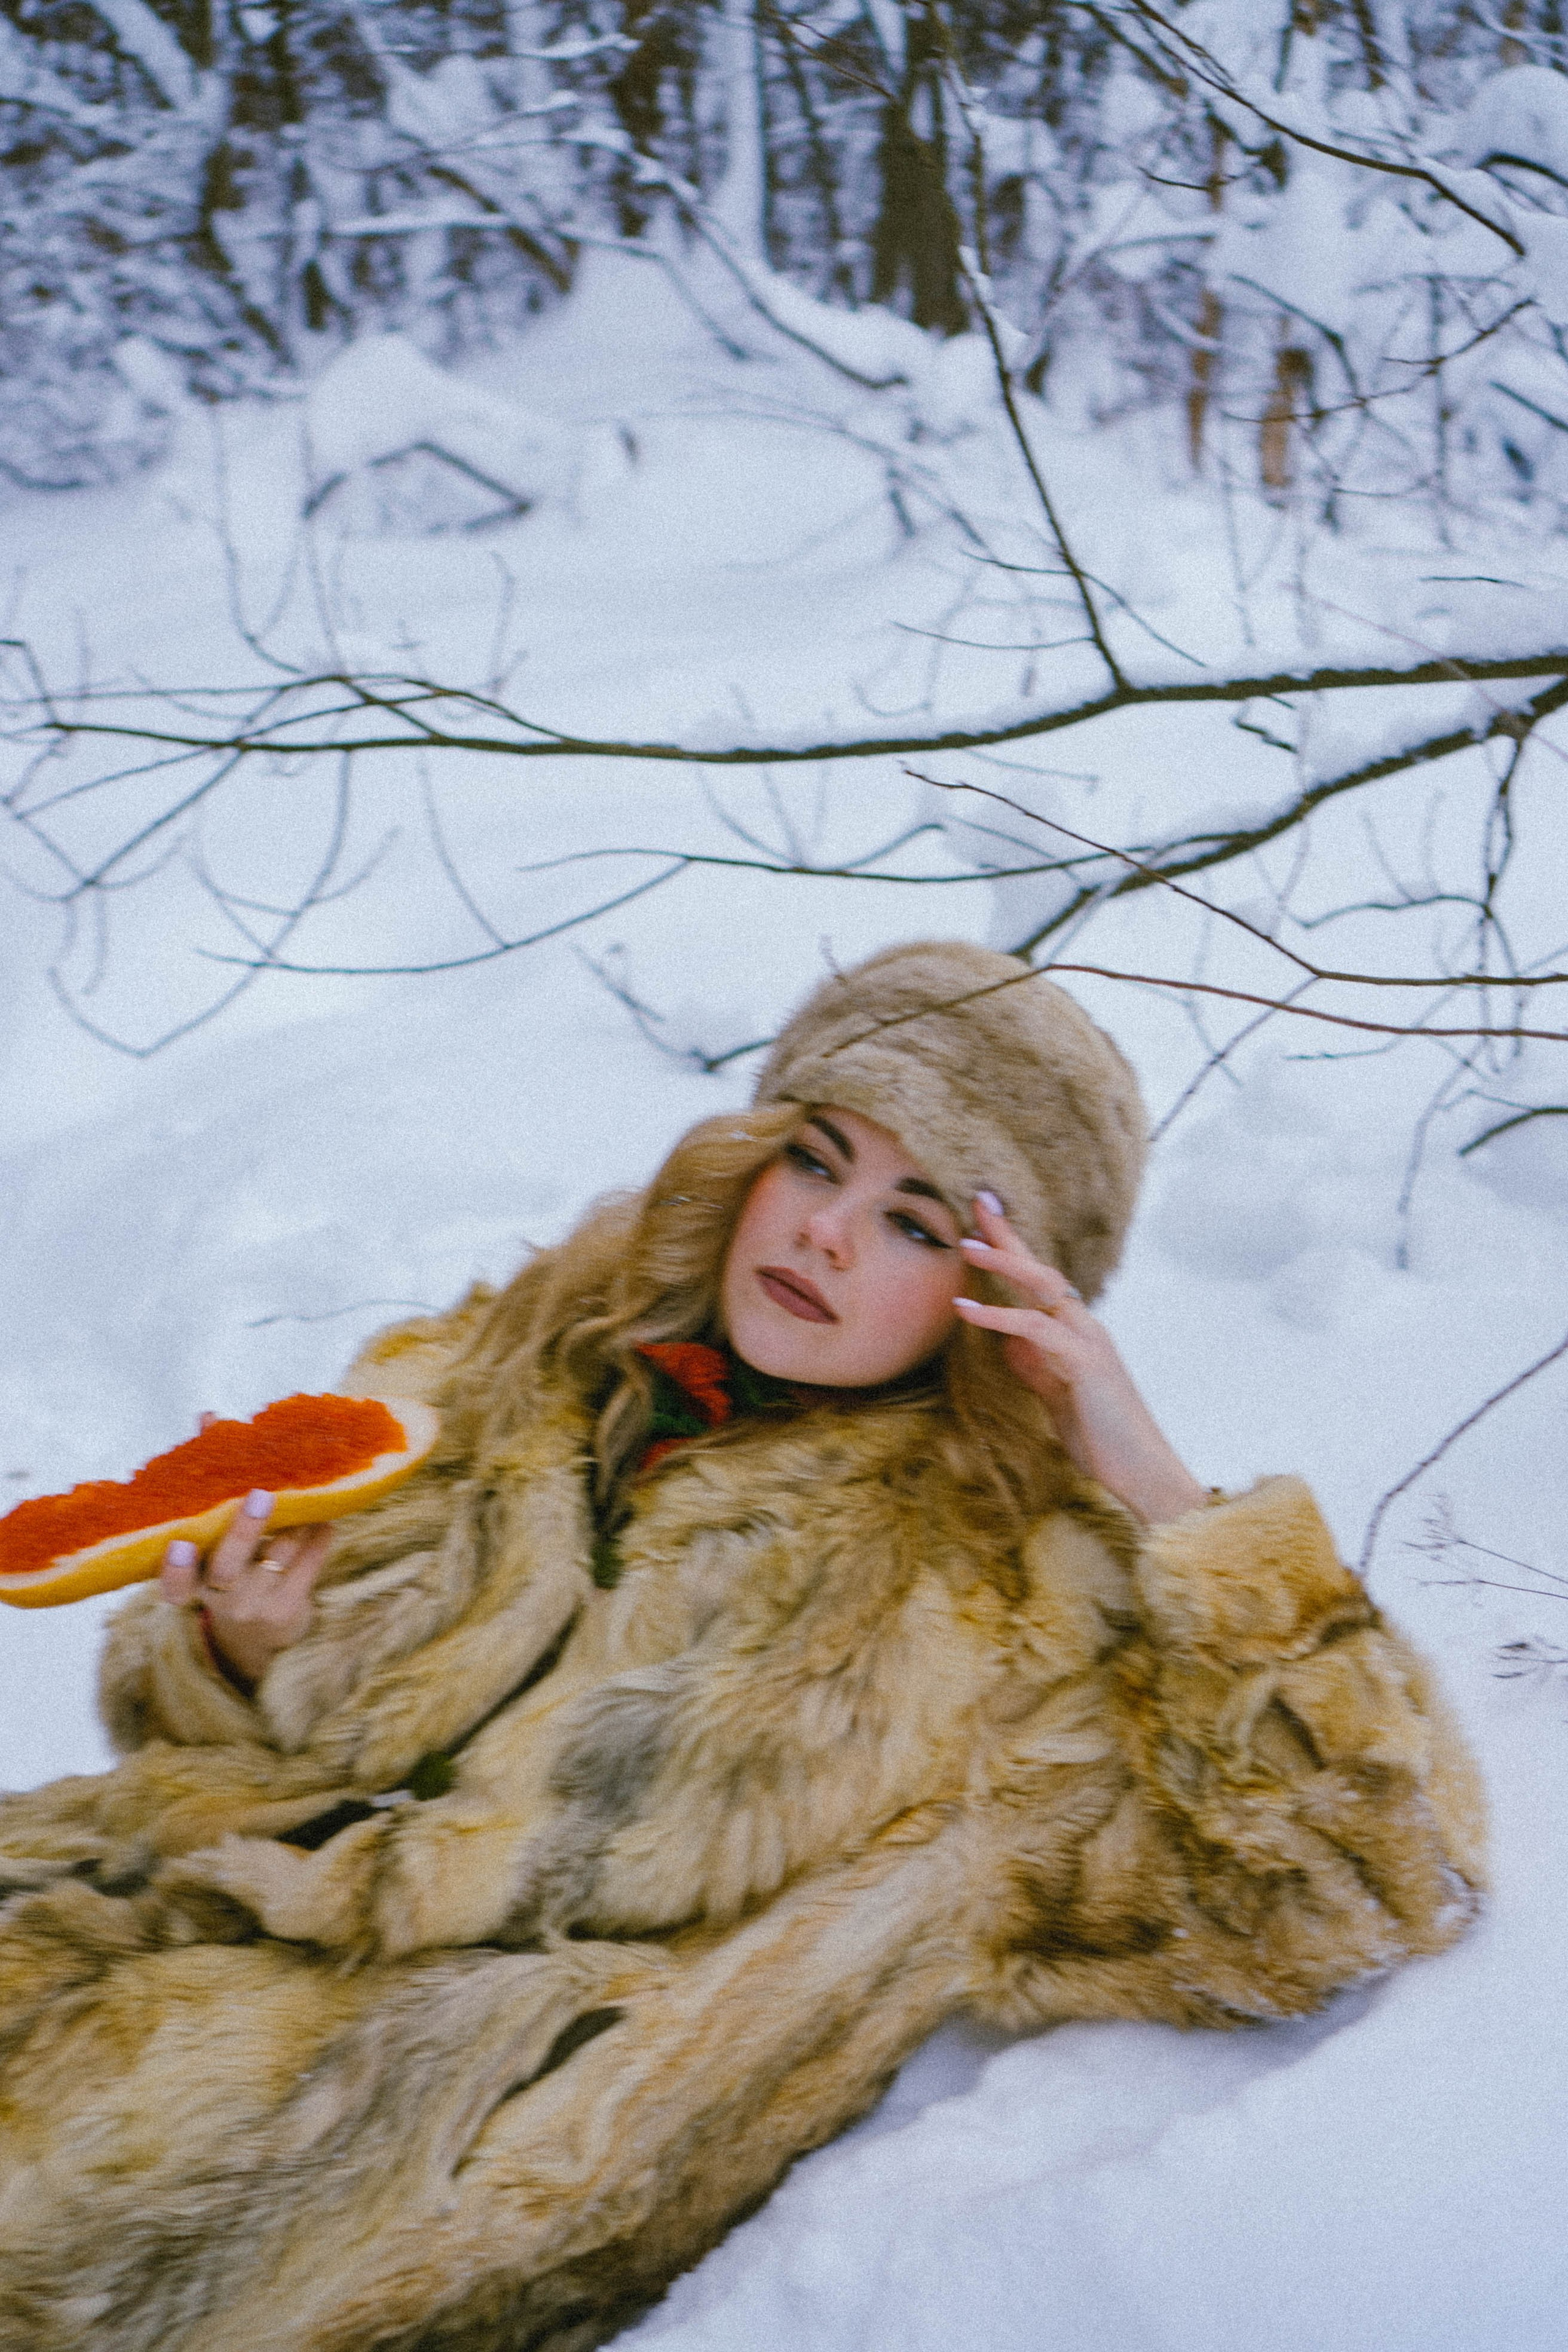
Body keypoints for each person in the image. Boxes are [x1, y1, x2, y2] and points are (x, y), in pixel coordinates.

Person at [0, 940, 1485, 2352]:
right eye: (817, 1160)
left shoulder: (1005, 1607)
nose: (824, 1234)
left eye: (912, 1221)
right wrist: (243, 1658)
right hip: (136, 1897)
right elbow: (182, 1718)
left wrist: (1165, 1498)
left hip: (368, 2123)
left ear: (993, 1293)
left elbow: (1361, 1889)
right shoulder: (524, 1356)